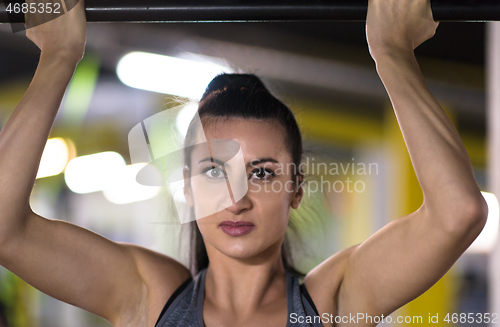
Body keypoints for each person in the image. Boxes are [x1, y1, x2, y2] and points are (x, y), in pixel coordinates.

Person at [0, 0, 488, 326]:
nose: (236, 198)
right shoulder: (149, 296)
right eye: (214, 170)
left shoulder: (333, 302)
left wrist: (391, 52)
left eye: (262, 172)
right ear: (188, 188)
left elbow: (456, 213)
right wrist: (60, 54)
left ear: (296, 189)